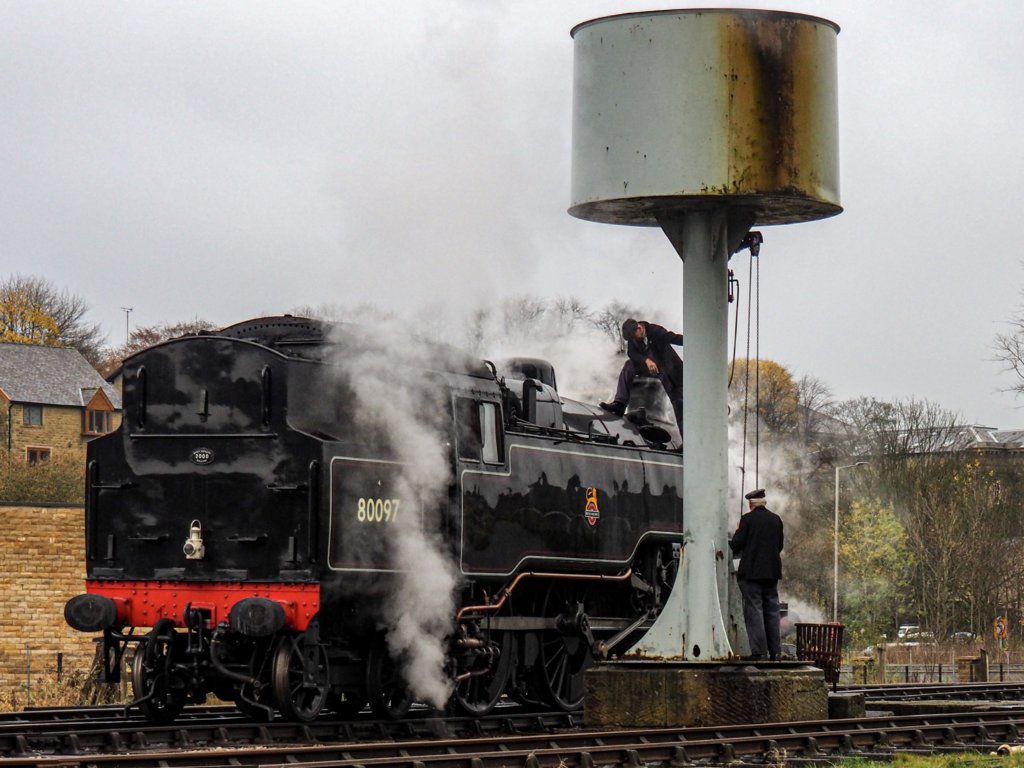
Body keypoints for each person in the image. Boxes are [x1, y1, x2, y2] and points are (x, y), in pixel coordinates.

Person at [600, 318, 684, 435]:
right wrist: (646, 360)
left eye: (634, 337)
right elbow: (632, 353)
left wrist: (692, 340)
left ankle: (687, 441)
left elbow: (674, 338)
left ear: (639, 328)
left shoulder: (656, 331)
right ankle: (620, 403)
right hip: (651, 369)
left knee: (679, 403)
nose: (633, 340)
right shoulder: (633, 338)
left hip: (671, 372)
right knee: (629, 365)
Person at [729, 488, 784, 661]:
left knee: (755, 610)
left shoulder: (747, 520)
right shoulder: (776, 520)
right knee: (772, 611)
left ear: (750, 504)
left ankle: (759, 652)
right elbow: (779, 545)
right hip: (772, 573)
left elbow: (736, 545)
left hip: (752, 573)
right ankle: (775, 652)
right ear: (765, 502)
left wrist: (738, 530)